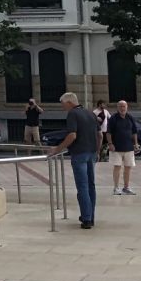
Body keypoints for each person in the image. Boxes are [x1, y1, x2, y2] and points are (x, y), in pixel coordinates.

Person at [47, 91, 100, 228]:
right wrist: (98, 150)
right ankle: (91, 216)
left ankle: (86, 218)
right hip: (92, 152)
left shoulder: (72, 114)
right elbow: (99, 134)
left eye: (63, 104)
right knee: (91, 185)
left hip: (79, 153)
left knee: (82, 186)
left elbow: (72, 135)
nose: (63, 107)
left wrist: (57, 149)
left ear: (69, 102)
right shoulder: (91, 113)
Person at [108, 99, 141, 196]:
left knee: (128, 168)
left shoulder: (130, 118)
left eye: (124, 106)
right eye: (120, 106)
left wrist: (136, 143)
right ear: (117, 108)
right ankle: (116, 188)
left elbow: (134, 132)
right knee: (117, 167)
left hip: (129, 147)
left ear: (127, 107)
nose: (122, 108)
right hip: (116, 148)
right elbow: (109, 132)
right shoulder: (113, 118)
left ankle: (126, 187)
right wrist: (110, 144)